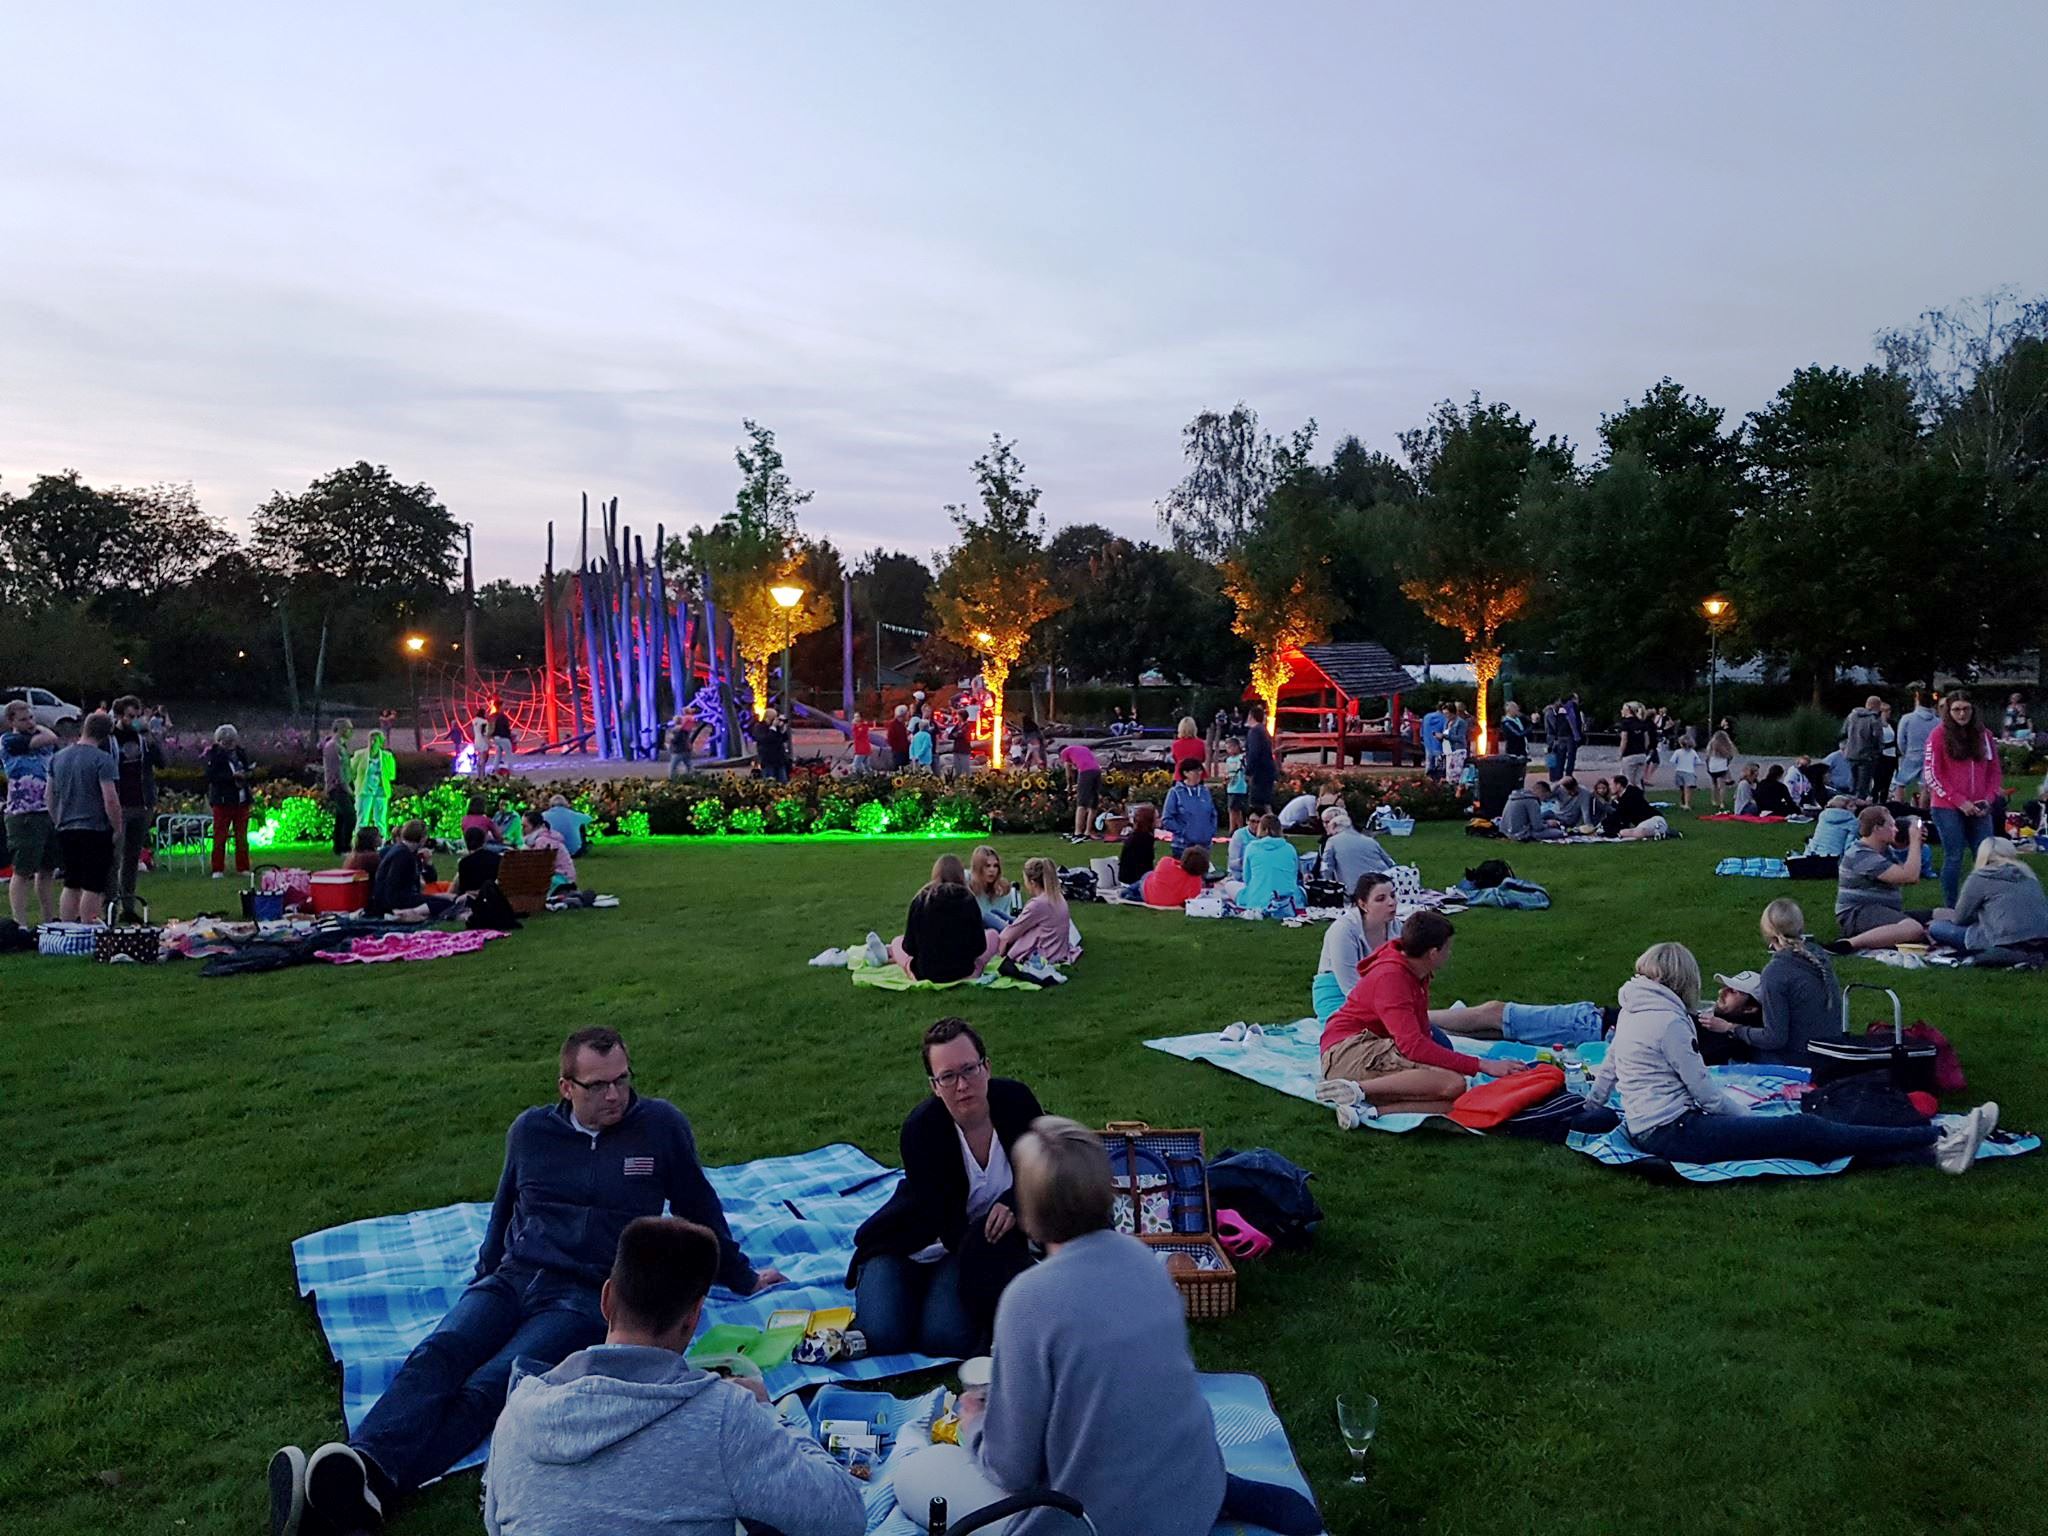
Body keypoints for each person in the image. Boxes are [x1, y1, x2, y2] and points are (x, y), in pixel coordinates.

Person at [274, 1028, 787, 1534]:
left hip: (588, 1293)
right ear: (567, 1087)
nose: (615, 1095)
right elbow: (503, 1213)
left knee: (490, 1386)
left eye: (622, 1080)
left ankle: (367, 1489)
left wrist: (741, 1277)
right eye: (598, 1085)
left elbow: (699, 1206)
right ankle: (364, 1466)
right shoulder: (531, 1132)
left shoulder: (659, 1127)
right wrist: (484, 1281)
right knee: (439, 1353)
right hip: (514, 1276)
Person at [936, 1118, 1322, 1536]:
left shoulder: (1027, 1299)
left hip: (1100, 1519)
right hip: (1189, 1485)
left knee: (920, 1473)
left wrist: (975, 1423)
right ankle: (1213, 1489)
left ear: (1030, 1212)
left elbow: (1011, 1466)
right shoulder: (1145, 1261)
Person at [482, 1214, 863, 1536]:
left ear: (607, 1298)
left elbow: (495, 1524)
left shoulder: (518, 1412)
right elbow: (844, 1517)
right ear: (695, 1316)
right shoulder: (725, 1417)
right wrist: (767, 1413)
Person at [1584, 942, 1994, 1174]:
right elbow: (1705, 1094)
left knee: (1806, 1135)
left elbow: (1608, 1070)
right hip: (1676, 1131)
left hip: (1655, 1127)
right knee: (1802, 1132)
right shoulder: (1669, 1023)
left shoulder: (1633, 1010)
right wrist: (1752, 1121)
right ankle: (1936, 1139)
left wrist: (1588, 1109)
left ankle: (1932, 1149)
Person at [847, 1019, 1044, 1360]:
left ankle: (934, 1292)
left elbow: (1042, 1168)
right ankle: (897, 1282)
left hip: (970, 1246)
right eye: (948, 1077)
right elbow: (947, 1226)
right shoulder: (922, 1131)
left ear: (987, 1067)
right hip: (913, 1243)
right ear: (934, 1086)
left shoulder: (1017, 1103)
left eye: (969, 1069)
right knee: (883, 1334)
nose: (962, 1085)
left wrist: (1013, 1202)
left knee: (944, 1338)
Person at [1313, 912, 1534, 1122]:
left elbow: (1421, 1034)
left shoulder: (1416, 972)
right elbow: (1413, 1046)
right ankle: (1356, 1089)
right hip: (1347, 1051)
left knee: (1457, 1099)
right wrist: (1483, 1065)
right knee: (1453, 1083)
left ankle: (1368, 1111)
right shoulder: (1391, 978)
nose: (1450, 953)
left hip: (1373, 1046)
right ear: (1433, 953)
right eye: (1448, 948)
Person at [1696, 899, 1840, 1067]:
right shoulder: (1818, 957)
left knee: (1733, 1056)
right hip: (1831, 1054)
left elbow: (1774, 1039)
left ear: (1768, 935)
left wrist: (1730, 1028)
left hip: (1801, 1062)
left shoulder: (1777, 972)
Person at [1925, 688, 2003, 909]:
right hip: (1947, 806)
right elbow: (1932, 774)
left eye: (1966, 709)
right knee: (1954, 857)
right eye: (1956, 710)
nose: (1961, 714)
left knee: (1985, 856)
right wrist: (1959, 801)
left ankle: (1984, 903)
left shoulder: (1984, 735)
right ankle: (1952, 906)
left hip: (1980, 805)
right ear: (1948, 712)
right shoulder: (1938, 735)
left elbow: (1994, 771)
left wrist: (1989, 798)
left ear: (1973, 709)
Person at [47, 711, 120, 925]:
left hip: (66, 827)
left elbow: (49, 795)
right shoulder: (102, 760)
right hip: (95, 828)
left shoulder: (58, 757)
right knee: (93, 884)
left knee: (72, 882)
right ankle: (89, 928)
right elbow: (110, 799)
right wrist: (117, 827)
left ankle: (67, 928)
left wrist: (57, 820)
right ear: (107, 735)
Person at [1828, 806, 1933, 951]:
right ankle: (1848, 944)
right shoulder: (1860, 854)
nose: (1896, 830)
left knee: (1944, 915)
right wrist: (1914, 841)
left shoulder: (1884, 851)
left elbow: (1910, 873)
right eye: (1891, 825)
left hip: (1883, 910)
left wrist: (1916, 843)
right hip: (1857, 913)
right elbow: (1910, 876)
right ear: (1877, 829)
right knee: (1913, 929)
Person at [888, 855, 1000, 982]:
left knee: (897, 942)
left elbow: (909, 946)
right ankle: (974, 973)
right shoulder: (968, 899)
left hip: (925, 972)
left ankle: (903, 965)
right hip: (963, 970)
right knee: (992, 935)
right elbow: (980, 946)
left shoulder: (921, 899)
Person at [102, 696, 165, 919]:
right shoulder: (110, 740)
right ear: (119, 716)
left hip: (142, 802)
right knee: (113, 858)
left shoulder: (142, 739)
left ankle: (128, 905)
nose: (135, 721)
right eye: (131, 716)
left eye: (138, 716)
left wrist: (150, 737)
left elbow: (161, 763)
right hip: (120, 804)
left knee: (132, 857)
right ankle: (109, 906)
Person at [1928, 838, 2048, 955]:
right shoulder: (2028, 875)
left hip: (2005, 941)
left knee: (1936, 927)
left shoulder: (1981, 877)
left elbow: (1960, 918)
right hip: (2042, 938)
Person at [2, 700, 60, 927]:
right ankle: (21, 923)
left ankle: (48, 919)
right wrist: (37, 730)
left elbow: (50, 740)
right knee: (23, 870)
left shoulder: (38, 740)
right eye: (23, 719)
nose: (29, 723)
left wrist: (37, 726)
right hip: (24, 813)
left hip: (47, 811)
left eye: (31, 718)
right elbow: (51, 737)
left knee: (47, 869)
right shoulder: (10, 741)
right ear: (11, 721)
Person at [1312, 873, 1401, 1023]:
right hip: (1338, 994)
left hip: (1376, 993)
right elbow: (1350, 988)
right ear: (1363, 904)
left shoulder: (1396, 927)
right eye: (1381, 899)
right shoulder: (1342, 931)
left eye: (1393, 896)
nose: (1391, 902)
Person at [368, 820, 454, 920]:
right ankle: (407, 913)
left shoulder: (406, 851)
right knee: (445, 904)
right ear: (421, 838)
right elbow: (393, 886)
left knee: (443, 900)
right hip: (395, 900)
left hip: (398, 896)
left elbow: (430, 879)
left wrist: (428, 864)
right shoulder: (403, 855)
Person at [204, 723, 254, 879]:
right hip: (223, 801)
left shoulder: (240, 753)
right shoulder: (214, 755)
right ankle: (217, 868)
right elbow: (211, 776)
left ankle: (243, 867)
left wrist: (246, 774)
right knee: (220, 836)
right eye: (226, 742)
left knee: (242, 837)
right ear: (219, 741)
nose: (229, 745)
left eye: (232, 741)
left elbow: (247, 770)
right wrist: (231, 778)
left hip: (241, 800)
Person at [1237, 814, 1305, 916]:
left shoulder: (1251, 848)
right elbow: (1293, 875)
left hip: (1258, 899)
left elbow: (1247, 878)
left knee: (1231, 885)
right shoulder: (1289, 848)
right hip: (1287, 899)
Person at [1319, 806, 1393, 885]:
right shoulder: (1370, 841)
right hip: (1382, 883)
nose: (1324, 826)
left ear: (1334, 826)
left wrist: (1329, 885)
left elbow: (1326, 868)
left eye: (1327, 822)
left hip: (1354, 888)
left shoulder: (1332, 841)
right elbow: (1390, 863)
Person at [1161, 759, 1219, 858]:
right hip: (1182, 846)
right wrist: (1184, 832)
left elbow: (1213, 814)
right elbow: (1167, 818)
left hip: (1204, 846)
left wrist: (1210, 831)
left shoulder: (1205, 792)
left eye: (1200, 771)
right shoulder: (1175, 792)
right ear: (1185, 773)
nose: (1199, 774)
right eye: (1195, 771)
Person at [1895, 686, 1938, 809]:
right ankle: (1923, 811)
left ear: (1917, 700)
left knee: (1900, 783)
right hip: (1930, 756)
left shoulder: (1907, 718)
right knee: (1925, 785)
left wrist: (1905, 752)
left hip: (1912, 754)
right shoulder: (1937, 721)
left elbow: (1900, 739)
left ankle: (1898, 807)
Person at [350, 729, 396, 843]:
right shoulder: (359, 755)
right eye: (371, 740)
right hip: (364, 790)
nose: (372, 743)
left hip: (381, 791)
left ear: (381, 742)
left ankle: (381, 842)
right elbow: (352, 771)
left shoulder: (387, 756)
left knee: (380, 819)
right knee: (362, 818)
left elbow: (391, 775)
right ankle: (359, 842)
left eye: (375, 740)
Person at [320, 718, 356, 857]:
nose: (351, 732)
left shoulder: (340, 746)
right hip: (338, 787)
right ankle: (345, 847)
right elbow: (337, 771)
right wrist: (347, 788)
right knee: (349, 816)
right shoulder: (333, 747)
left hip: (341, 785)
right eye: (349, 728)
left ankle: (339, 847)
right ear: (341, 729)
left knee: (341, 817)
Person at [522, 809, 578, 891]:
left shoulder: (542, 841)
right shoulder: (544, 836)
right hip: (565, 876)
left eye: (525, 826)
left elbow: (538, 866)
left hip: (560, 878)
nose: (522, 829)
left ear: (536, 826)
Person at [967, 845, 1018, 930]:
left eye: (995, 866)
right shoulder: (967, 887)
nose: (992, 870)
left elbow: (1006, 918)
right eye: (987, 866)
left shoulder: (1003, 890)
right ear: (978, 868)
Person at [1842, 696, 1884, 800]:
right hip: (1867, 756)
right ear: (1876, 706)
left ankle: (1850, 803)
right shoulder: (1874, 719)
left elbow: (1843, 732)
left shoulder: (1851, 716)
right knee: (1863, 786)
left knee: (1853, 783)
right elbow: (1877, 737)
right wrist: (1878, 751)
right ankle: (1860, 805)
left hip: (1851, 754)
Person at [1059, 740, 1101, 842]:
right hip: (1097, 771)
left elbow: (1068, 773)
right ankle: (1088, 831)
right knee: (1093, 803)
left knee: (1082, 802)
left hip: (1086, 771)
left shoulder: (1064, 752)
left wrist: (1069, 786)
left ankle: (1078, 833)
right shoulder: (1083, 748)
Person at [1139, 845, 1210, 907]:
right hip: (1170, 902)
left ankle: (1131, 890)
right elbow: (1192, 899)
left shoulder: (1165, 862)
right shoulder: (1196, 881)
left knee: (1148, 875)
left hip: (1149, 896)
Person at [1501, 780, 1565, 842]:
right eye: (1545, 797)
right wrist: (1548, 824)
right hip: (1520, 833)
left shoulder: (1516, 796)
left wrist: (1544, 822)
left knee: (1548, 814)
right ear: (1544, 793)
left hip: (1506, 831)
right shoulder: (1532, 801)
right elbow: (1538, 827)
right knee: (1558, 833)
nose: (1544, 800)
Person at [1243, 701, 1277, 813]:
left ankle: (1263, 825)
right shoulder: (1264, 730)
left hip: (1259, 772)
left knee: (1257, 803)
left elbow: (1254, 753)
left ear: (1251, 716)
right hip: (1268, 770)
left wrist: (1248, 771)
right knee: (1266, 803)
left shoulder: (1255, 732)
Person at [1117, 802, 1159, 887]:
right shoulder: (1144, 838)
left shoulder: (1138, 835)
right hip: (1133, 880)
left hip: (1128, 878)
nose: (1159, 820)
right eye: (1156, 818)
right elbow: (1145, 866)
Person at [453, 826, 502, 897]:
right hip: (492, 898)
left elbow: (462, 889)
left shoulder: (464, 863)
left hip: (472, 900)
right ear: (483, 841)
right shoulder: (497, 858)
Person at [753, 708, 792, 785]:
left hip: (779, 760)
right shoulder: (759, 727)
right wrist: (773, 728)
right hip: (768, 760)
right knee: (770, 783)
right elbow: (766, 740)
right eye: (774, 718)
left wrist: (782, 730)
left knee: (783, 782)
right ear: (767, 718)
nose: (776, 720)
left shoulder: (776, 728)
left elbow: (784, 739)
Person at [1704, 721, 1737, 810]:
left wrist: (1707, 766)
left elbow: (1707, 757)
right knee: (1722, 786)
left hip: (1712, 767)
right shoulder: (1726, 747)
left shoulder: (1711, 746)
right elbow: (1730, 756)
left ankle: (1714, 800)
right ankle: (1722, 802)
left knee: (1714, 785)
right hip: (1722, 768)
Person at [1616, 703, 1651, 783]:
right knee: (1638, 781)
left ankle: (1629, 795)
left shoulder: (1625, 723)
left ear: (1627, 711)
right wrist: (1643, 750)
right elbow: (1647, 740)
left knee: (1627, 781)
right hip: (1641, 754)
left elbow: (1624, 740)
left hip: (1629, 755)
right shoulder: (1641, 722)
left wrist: (1620, 753)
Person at [1667, 734, 1703, 812]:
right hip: (1689, 772)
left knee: (1682, 789)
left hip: (1679, 771)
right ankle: (1687, 804)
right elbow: (1698, 761)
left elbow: (1672, 761)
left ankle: (1683, 802)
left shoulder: (1678, 752)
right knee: (1688, 789)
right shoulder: (1693, 752)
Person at [1873, 701, 1900, 802]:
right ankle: (1875, 799)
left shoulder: (1892, 724)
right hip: (1881, 756)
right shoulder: (1876, 724)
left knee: (1888, 781)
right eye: (1887, 711)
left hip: (1892, 755)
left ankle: (1884, 800)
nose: (1889, 713)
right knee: (1878, 780)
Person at [1222, 736, 1249, 834]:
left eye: (1232, 747)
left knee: (1237, 809)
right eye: (1228, 747)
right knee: (1231, 808)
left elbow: (1245, 769)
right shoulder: (1228, 760)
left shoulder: (1241, 758)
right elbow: (1228, 772)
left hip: (1240, 787)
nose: (1230, 750)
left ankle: (1238, 828)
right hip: (1231, 787)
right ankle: (1233, 828)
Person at [669, 708, 702, 778]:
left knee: (673, 767)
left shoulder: (676, 730)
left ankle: (672, 778)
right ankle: (693, 775)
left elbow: (674, 740)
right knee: (688, 764)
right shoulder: (686, 729)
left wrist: (670, 740)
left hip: (678, 750)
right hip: (686, 749)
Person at [1542, 699, 1569, 782]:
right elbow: (1554, 726)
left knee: (1556, 758)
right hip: (1553, 738)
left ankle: (1556, 776)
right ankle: (1555, 777)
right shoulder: (1550, 713)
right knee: (1555, 758)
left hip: (1553, 737)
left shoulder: (1552, 712)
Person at [1498, 699, 1529, 763]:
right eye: (1516, 709)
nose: (1517, 711)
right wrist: (1530, 729)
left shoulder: (1518, 719)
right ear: (1510, 710)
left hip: (1522, 750)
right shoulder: (1506, 723)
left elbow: (1527, 725)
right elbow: (1518, 734)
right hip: (1513, 751)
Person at [488, 703, 515, 772]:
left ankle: (495, 768)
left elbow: (495, 728)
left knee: (498, 754)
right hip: (504, 738)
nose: (505, 706)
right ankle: (510, 769)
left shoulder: (495, 717)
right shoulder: (503, 717)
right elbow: (506, 728)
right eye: (503, 705)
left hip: (496, 738)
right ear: (500, 707)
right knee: (509, 754)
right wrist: (510, 736)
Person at [884, 704, 911, 771]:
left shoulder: (902, 725)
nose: (908, 715)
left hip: (905, 752)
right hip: (898, 753)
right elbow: (890, 739)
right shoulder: (893, 725)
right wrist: (897, 748)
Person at [469, 707, 492, 777]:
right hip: (483, 741)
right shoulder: (484, 722)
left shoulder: (474, 721)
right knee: (483, 759)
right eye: (486, 713)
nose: (487, 714)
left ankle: (478, 774)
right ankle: (482, 775)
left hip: (476, 740)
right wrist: (489, 743)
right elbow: (484, 733)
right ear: (483, 714)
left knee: (479, 758)